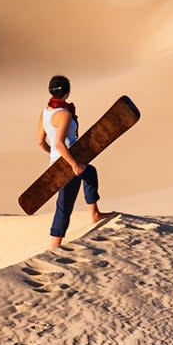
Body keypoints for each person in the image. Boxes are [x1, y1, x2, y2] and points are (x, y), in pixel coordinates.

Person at [38, 74, 107, 248]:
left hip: (60, 160)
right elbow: (61, 144)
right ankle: (54, 245)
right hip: (68, 162)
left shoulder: (45, 112)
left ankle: (95, 214)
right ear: (67, 93)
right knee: (65, 204)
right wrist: (73, 164)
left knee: (90, 173)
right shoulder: (64, 114)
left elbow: (40, 142)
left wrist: (53, 156)